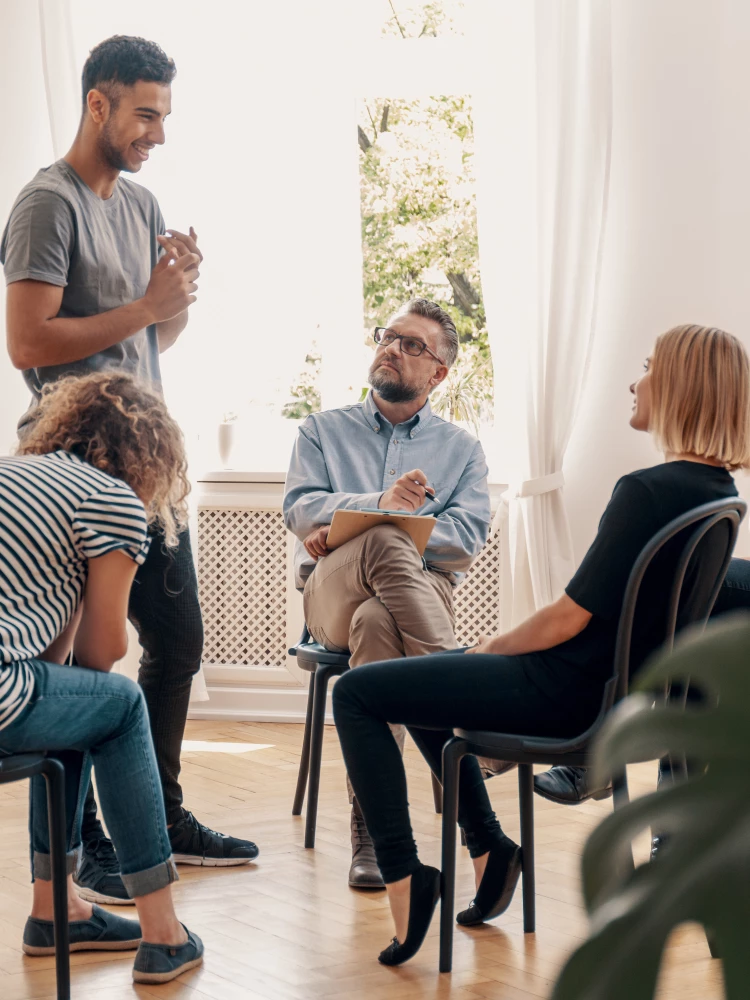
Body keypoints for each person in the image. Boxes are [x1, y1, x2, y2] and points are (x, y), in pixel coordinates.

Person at [332, 324, 750, 966]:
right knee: (421, 685)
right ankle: (488, 845)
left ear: (683, 387)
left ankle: (404, 876)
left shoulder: (646, 491)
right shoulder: (718, 494)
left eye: (647, 366)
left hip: (563, 693)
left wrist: (486, 653)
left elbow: (564, 620)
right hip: (606, 696)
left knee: (358, 691)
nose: (635, 381)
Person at [0, 34, 257, 904]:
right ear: (98, 104)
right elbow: (29, 343)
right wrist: (143, 304)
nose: (157, 132)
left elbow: (147, 339)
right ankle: (93, 850)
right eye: (145, 113)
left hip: (147, 464)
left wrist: (172, 301)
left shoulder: (143, 204)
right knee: (89, 666)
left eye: (164, 115)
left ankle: (162, 813)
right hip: (74, 463)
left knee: (177, 642)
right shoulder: (47, 204)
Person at [0, 372, 205, 984]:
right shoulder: (108, 499)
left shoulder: (11, 475)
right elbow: (104, 649)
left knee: (81, 700)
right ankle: (164, 934)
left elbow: (59, 665)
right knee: (118, 706)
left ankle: (56, 910)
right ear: (147, 451)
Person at [283, 298, 491, 888]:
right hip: (329, 595)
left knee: (378, 622)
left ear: (438, 373)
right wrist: (382, 509)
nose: (392, 349)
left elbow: (465, 542)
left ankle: (374, 834)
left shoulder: (462, 450)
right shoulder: (321, 430)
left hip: (413, 597)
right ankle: (466, 714)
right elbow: (300, 509)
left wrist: (364, 528)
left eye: (412, 345)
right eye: (389, 336)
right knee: (382, 545)